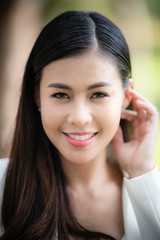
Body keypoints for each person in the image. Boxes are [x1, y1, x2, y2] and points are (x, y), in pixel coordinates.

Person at [0, 10, 160, 240]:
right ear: (37, 96)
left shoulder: (150, 188)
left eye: (98, 94)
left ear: (126, 96)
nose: (79, 117)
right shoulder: (3, 184)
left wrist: (141, 172)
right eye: (61, 95)